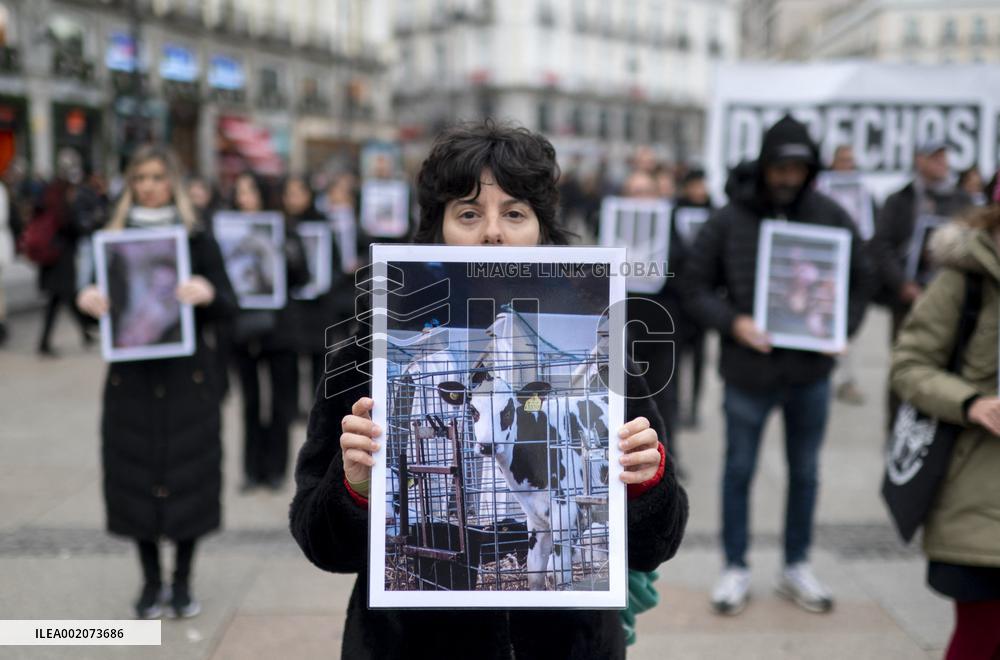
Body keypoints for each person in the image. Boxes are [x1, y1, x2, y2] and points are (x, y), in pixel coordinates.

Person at [289, 121, 688, 659]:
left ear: (542, 228)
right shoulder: (370, 350)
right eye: (469, 213)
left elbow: (657, 543)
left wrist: (648, 482)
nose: (493, 233)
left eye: (515, 213)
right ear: (438, 228)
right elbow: (321, 544)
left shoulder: (601, 348)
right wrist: (354, 487)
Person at [682, 115, 870, 616]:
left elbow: (862, 279)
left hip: (810, 375)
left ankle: (795, 565)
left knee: (805, 472)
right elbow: (693, 285)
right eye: (780, 167)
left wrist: (840, 330)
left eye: (798, 168)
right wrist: (734, 323)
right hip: (748, 373)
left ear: (810, 170)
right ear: (765, 166)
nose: (788, 177)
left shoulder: (831, 215)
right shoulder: (728, 220)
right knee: (738, 470)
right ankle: (735, 566)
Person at [75, 144, 238, 619]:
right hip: (132, 380)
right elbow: (91, 306)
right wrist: (85, 301)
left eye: (156, 177)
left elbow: (229, 303)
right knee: (134, 477)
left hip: (189, 379)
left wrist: (208, 293)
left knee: (191, 475)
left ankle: (182, 582)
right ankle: (150, 582)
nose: (148, 186)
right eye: (139, 177)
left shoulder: (196, 236)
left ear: (173, 182)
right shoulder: (113, 236)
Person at [890, 204, 1000, 660]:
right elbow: (908, 365)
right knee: (981, 636)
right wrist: (971, 403)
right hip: (976, 497)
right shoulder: (963, 280)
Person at [868, 140, 971, 426]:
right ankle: (895, 434)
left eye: (944, 157)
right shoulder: (899, 200)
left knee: (945, 368)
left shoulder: (960, 201)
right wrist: (902, 285)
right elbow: (882, 245)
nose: (942, 163)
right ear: (919, 161)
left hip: (949, 302)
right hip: (908, 301)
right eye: (934, 158)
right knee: (904, 365)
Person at [230, 172, 310, 492]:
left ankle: (276, 469)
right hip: (243, 330)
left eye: (249, 191)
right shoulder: (229, 232)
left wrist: (286, 256)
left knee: (279, 403)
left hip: (279, 330)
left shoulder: (284, 230)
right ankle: (252, 470)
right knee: (250, 402)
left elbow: (302, 277)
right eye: (240, 192)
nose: (243, 199)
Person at [825, 144, 873, 407]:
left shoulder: (861, 190)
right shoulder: (821, 188)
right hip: (825, 267)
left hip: (848, 268)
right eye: (843, 160)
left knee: (846, 327)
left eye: (850, 160)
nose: (847, 165)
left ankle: (846, 379)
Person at [35, 148, 94, 356]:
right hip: (59, 256)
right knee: (64, 297)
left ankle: (84, 332)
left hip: (54, 256)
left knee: (60, 299)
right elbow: (67, 223)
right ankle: (81, 332)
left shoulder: (49, 191)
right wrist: (83, 228)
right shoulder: (61, 194)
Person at [672, 168, 714, 430]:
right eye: (695, 185)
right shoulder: (673, 212)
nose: (699, 191)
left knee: (699, 360)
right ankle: (676, 408)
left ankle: (694, 407)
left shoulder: (715, 213)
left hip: (702, 303)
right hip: (677, 302)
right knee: (676, 363)